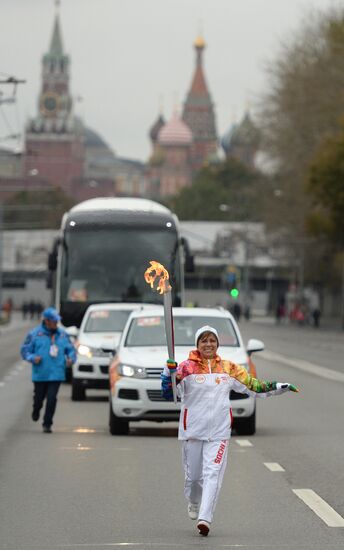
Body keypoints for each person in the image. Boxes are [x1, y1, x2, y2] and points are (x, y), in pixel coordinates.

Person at [161, 325, 299, 537]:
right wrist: (168, 374)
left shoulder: (228, 368)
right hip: (192, 432)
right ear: (197, 345)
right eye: (204, 341)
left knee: (213, 473)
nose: (208, 344)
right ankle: (193, 500)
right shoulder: (185, 368)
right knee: (194, 477)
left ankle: (205, 518)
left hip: (219, 433)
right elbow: (169, 394)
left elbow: (254, 386)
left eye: (212, 340)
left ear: (217, 344)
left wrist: (279, 386)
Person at [20, 307, 76, 433]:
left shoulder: (62, 334)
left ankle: (47, 423)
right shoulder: (35, 334)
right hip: (41, 374)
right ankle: (36, 409)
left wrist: (70, 359)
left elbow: (71, 350)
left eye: (57, 321)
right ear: (46, 321)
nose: (56, 323)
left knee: (52, 398)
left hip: (56, 373)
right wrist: (33, 357)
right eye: (53, 321)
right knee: (39, 398)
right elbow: (25, 350)